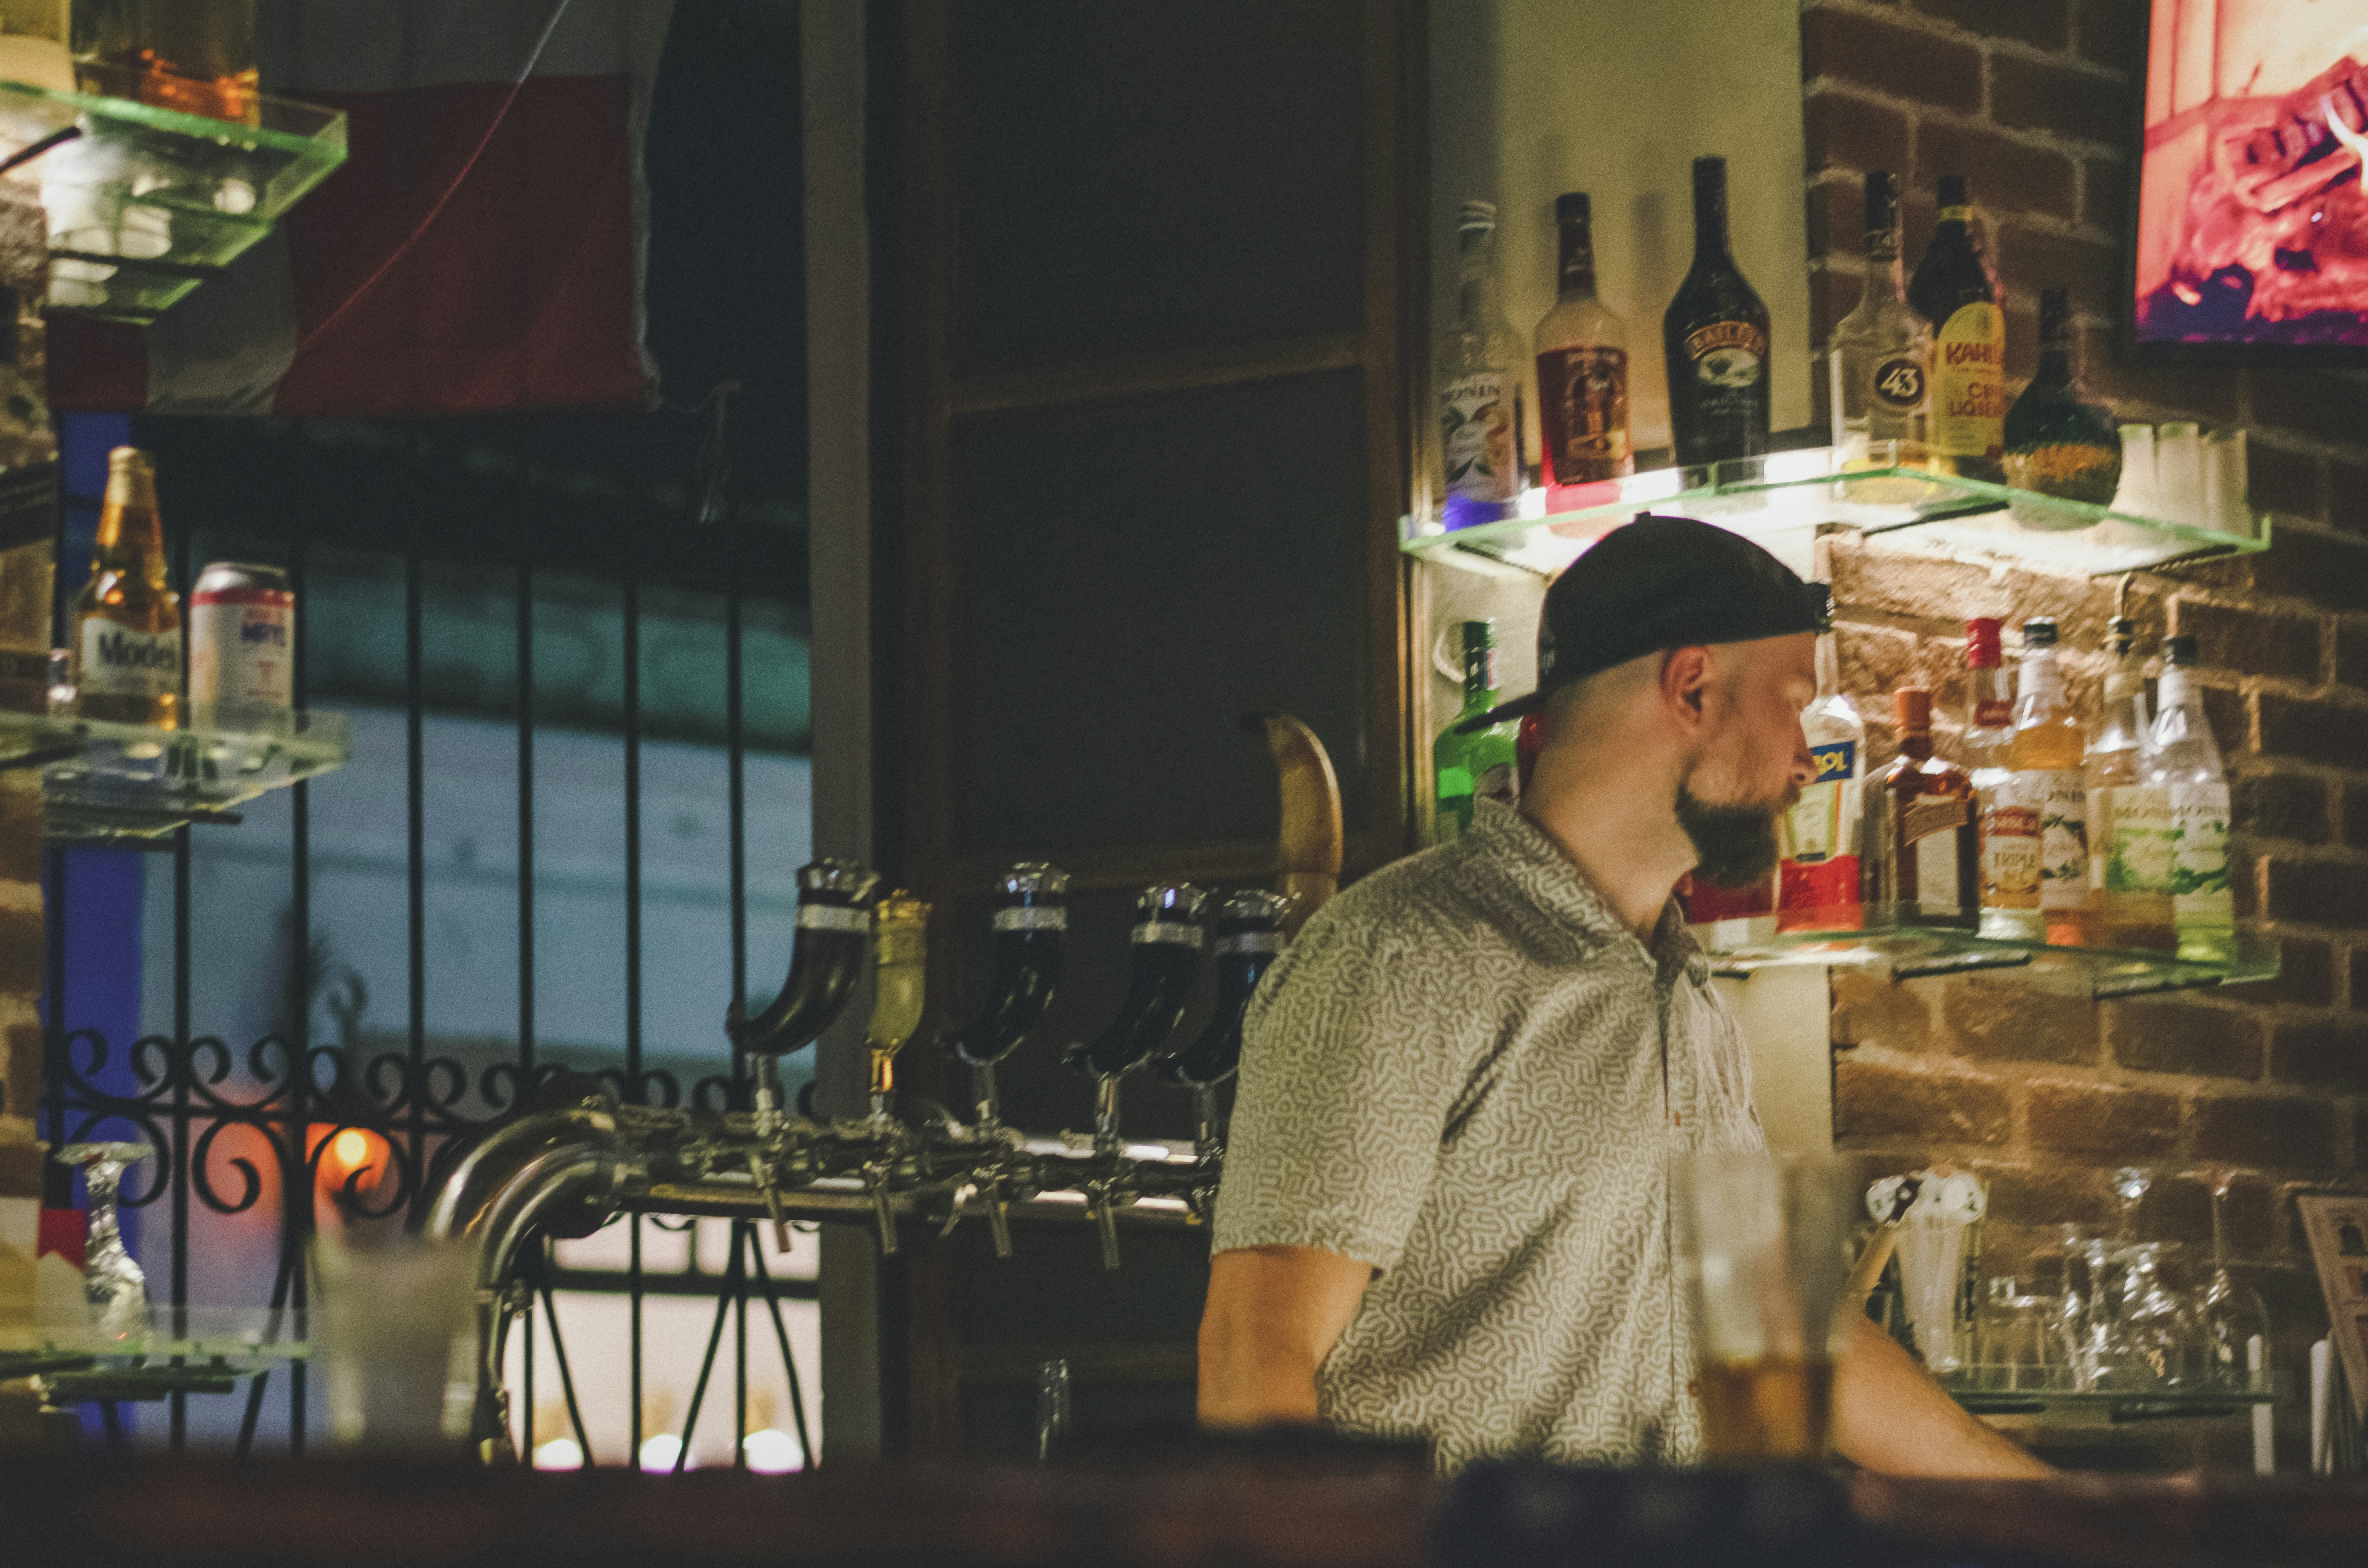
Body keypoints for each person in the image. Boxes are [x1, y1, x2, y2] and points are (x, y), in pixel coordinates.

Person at [1198, 515, 2047, 1477]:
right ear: (1690, 686)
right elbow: (1253, 1362)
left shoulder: (1687, 1002)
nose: (1805, 760)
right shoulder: (1398, 955)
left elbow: (1780, 1331)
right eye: (1794, 704)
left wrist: (2059, 1514)